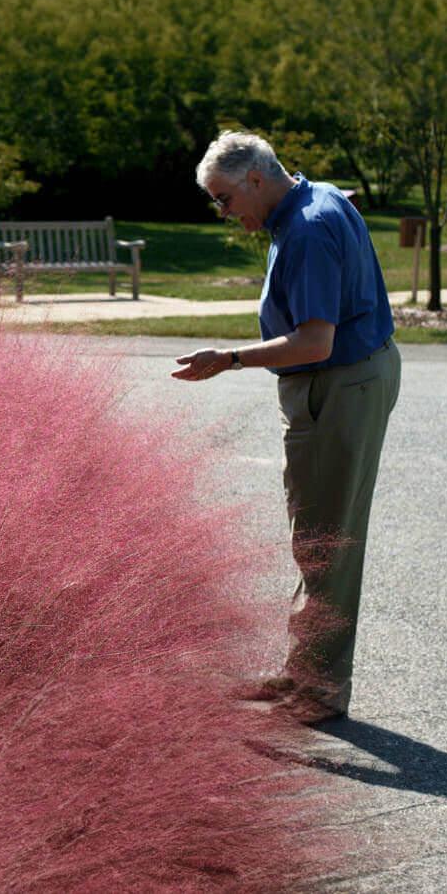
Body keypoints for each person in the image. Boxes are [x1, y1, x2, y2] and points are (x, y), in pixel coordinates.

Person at [172, 130, 401, 725]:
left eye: (224, 199)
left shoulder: (307, 228)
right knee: (318, 534)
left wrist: (228, 359)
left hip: (338, 384)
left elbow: (314, 341)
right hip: (344, 380)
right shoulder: (312, 200)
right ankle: (305, 671)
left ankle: (319, 690)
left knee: (326, 541)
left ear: (255, 179)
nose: (223, 212)